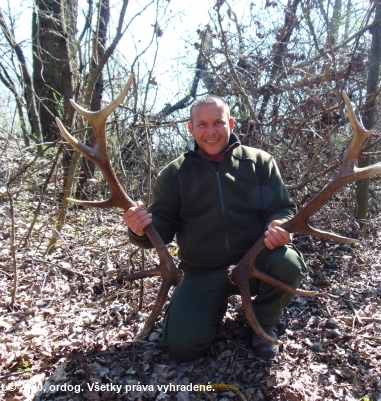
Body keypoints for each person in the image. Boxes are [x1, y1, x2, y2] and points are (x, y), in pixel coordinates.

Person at [123, 95, 306, 362]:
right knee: (183, 349)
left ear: (231, 123)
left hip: (255, 260)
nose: (211, 131)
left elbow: (282, 208)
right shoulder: (174, 174)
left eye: (218, 122)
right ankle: (211, 303)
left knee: (288, 263)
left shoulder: (259, 162)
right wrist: (140, 228)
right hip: (202, 270)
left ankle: (262, 322)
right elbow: (162, 226)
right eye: (202, 124)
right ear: (191, 128)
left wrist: (280, 225)